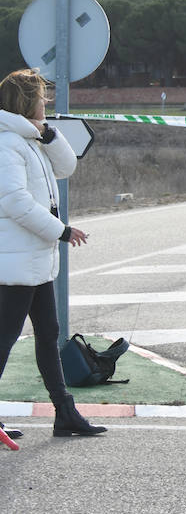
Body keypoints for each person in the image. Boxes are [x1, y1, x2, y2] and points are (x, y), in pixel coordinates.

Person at [0, 68, 106, 440]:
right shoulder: (6, 143)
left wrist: (48, 134)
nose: (46, 102)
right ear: (28, 100)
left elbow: (67, 166)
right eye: (42, 97)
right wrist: (60, 231)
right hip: (14, 262)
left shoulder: (29, 139)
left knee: (48, 334)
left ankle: (65, 413)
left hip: (35, 260)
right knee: (5, 339)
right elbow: (14, 202)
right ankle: (63, 412)